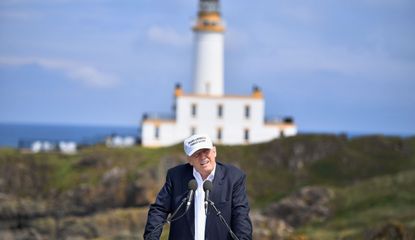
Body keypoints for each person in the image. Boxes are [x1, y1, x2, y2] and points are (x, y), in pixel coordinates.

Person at [143, 134, 252, 240]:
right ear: (189, 160)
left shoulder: (234, 177)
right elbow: (159, 209)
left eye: (206, 151)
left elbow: (240, 215)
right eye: (196, 154)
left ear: (214, 151)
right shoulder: (175, 176)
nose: (203, 157)